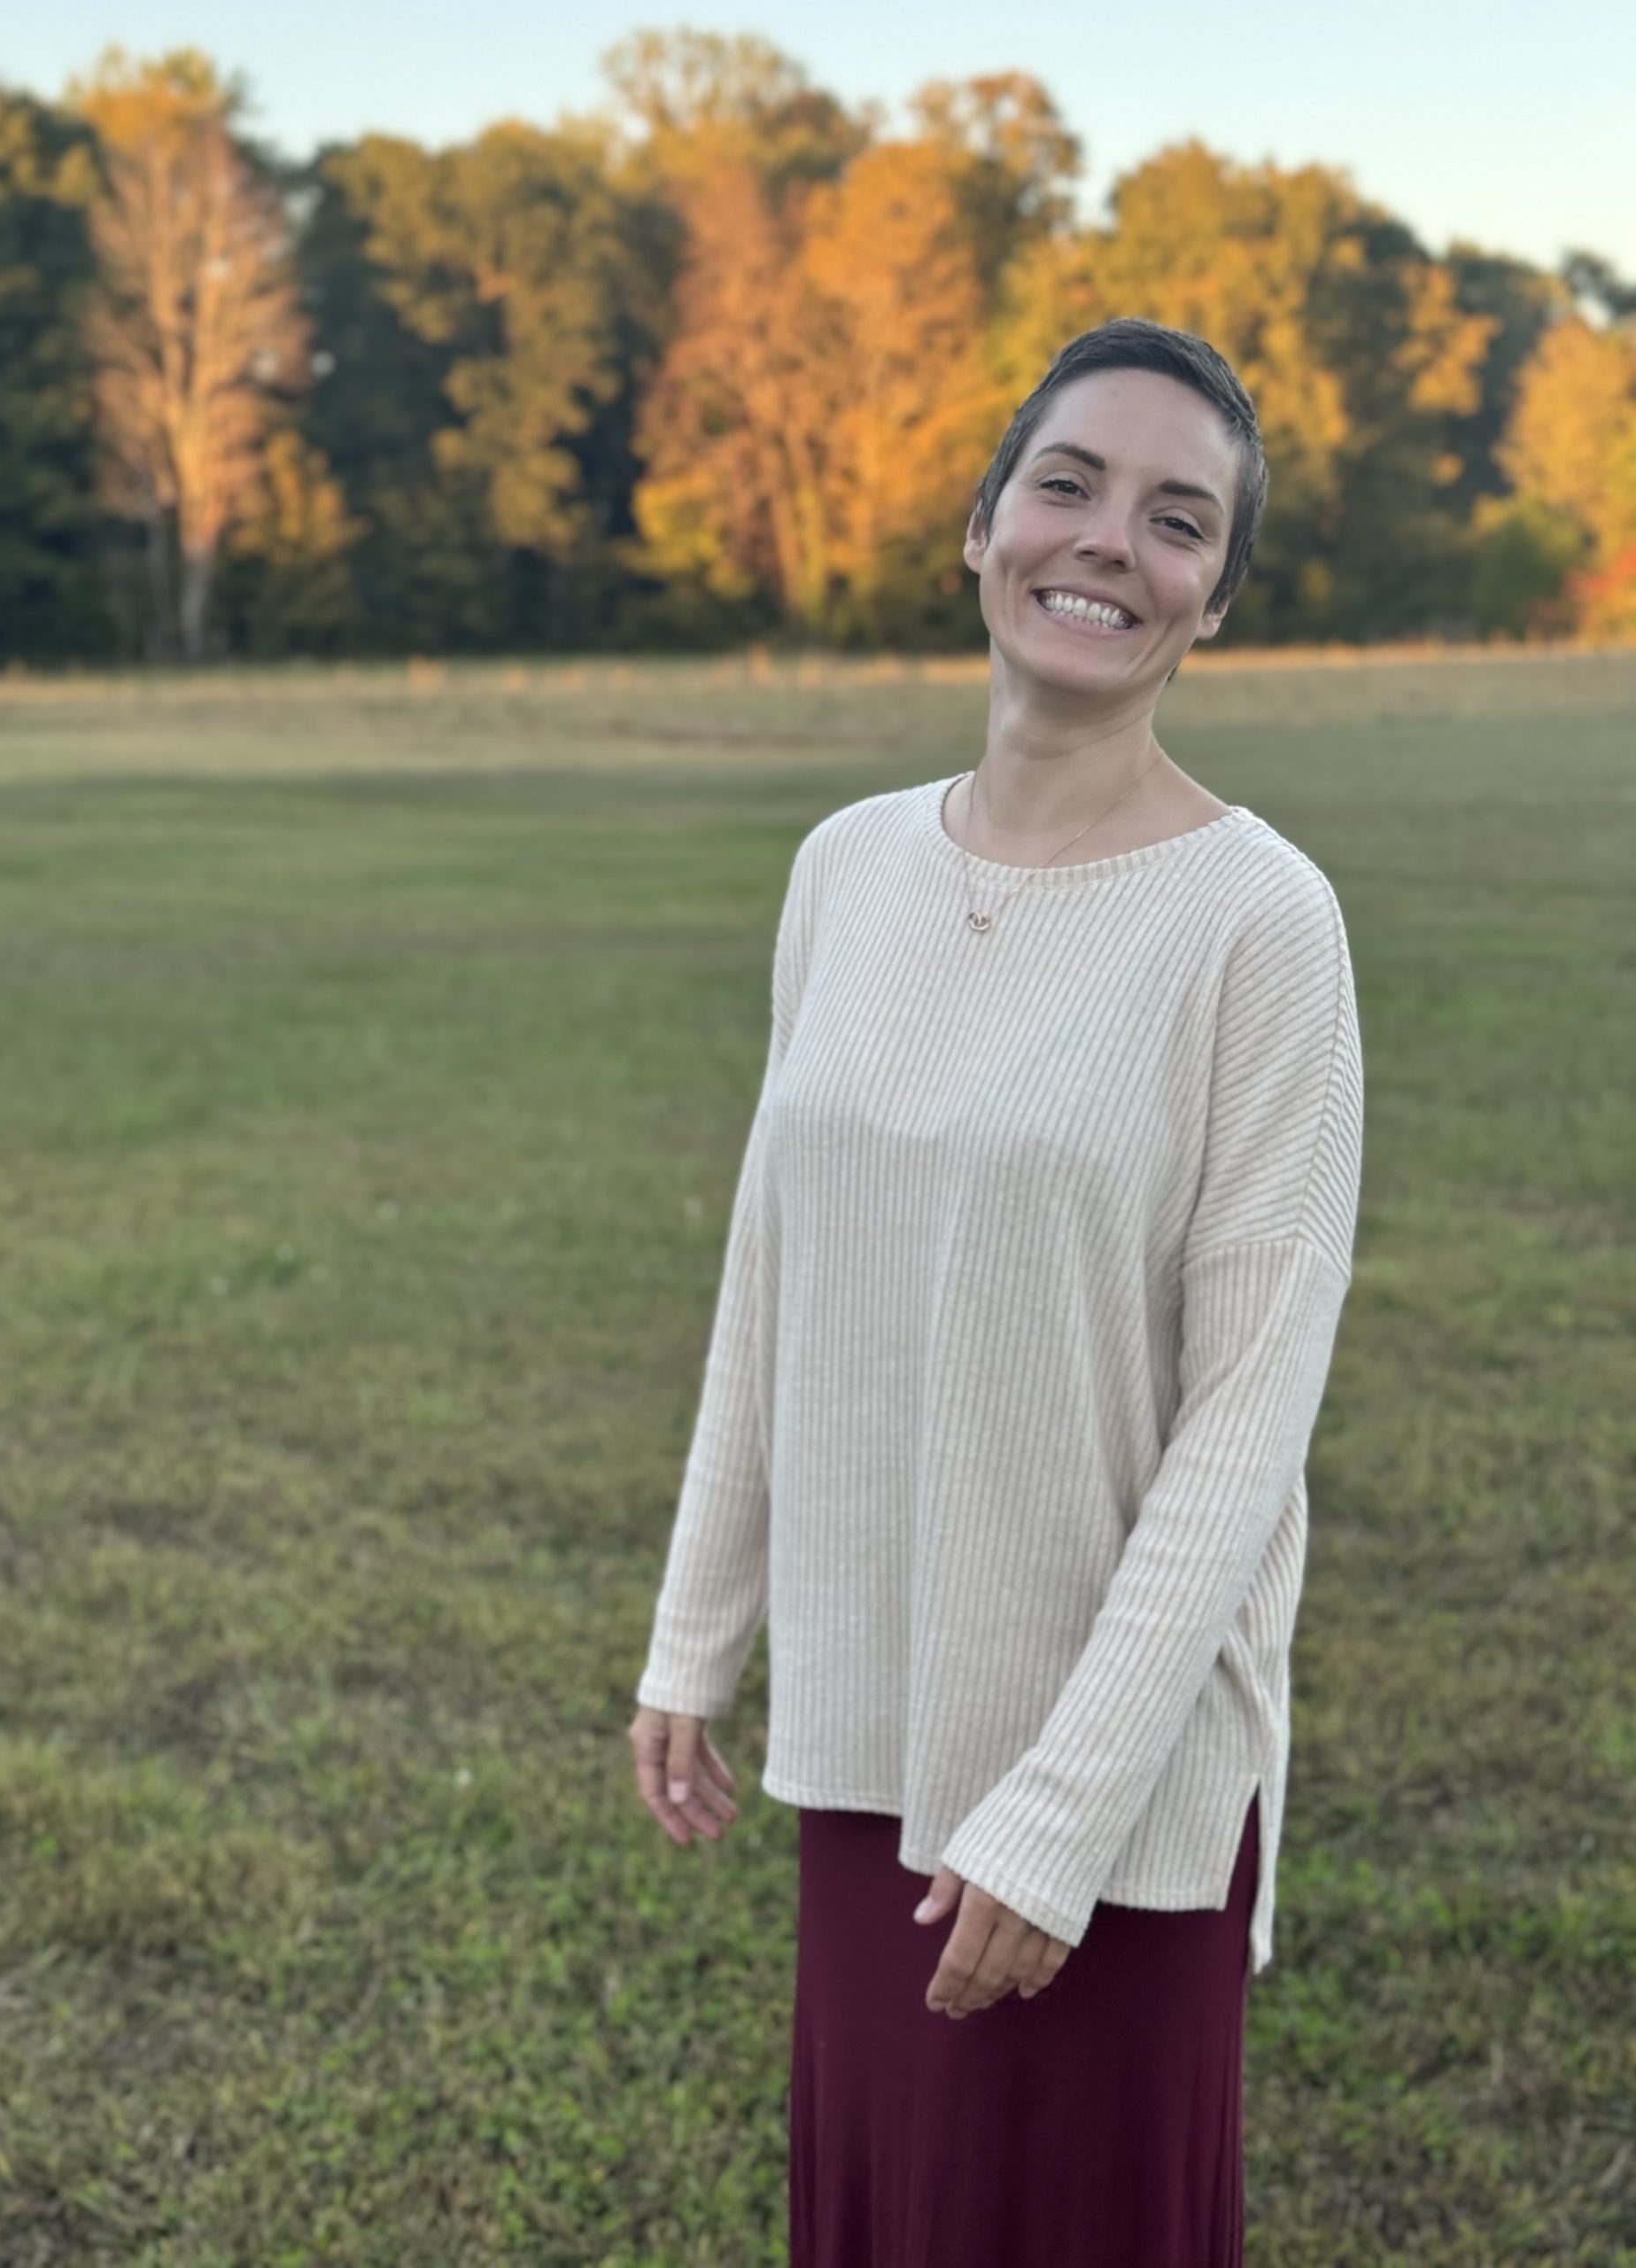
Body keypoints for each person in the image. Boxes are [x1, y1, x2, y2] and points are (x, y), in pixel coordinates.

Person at [627, 315, 1364, 2266]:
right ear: (980, 525)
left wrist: (1062, 1817)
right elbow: (772, 1271)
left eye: (1178, 517)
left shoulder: (1258, 922)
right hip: (874, 1723)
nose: (1111, 540)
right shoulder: (843, 869)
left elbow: (1247, 1426)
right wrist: (699, 1626)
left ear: (1213, 598)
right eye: (1071, 482)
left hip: (1109, 1790)